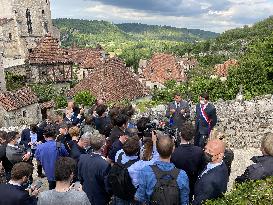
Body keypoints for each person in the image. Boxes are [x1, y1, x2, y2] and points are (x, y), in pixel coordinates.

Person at [135, 134, 189, 205]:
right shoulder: (182, 175)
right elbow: (184, 202)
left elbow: (140, 197)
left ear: (157, 149)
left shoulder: (146, 171)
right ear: (173, 149)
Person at [171, 122, 205, 202]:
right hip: (192, 185)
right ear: (193, 136)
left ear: (180, 134)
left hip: (176, 186)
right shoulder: (199, 151)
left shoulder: (174, 153)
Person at [78, 132, 111, 205]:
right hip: (99, 199)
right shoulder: (104, 164)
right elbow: (107, 186)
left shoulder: (82, 158)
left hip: (85, 194)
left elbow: (80, 177)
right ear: (102, 147)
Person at [192, 139, 228, 205]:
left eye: (210, 151)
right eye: (205, 148)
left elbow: (200, 202)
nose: (206, 152)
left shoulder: (209, 182)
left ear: (220, 155)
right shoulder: (221, 164)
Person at [35, 125, 69, 190]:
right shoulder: (59, 145)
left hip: (48, 174)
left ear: (44, 136)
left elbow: (38, 160)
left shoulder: (39, 147)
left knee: (51, 188)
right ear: (55, 135)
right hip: (60, 173)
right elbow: (66, 157)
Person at [109, 136, 140, 204]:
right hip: (129, 196)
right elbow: (136, 183)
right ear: (137, 151)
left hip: (117, 190)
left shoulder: (119, 153)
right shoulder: (137, 165)